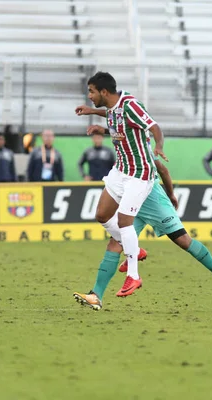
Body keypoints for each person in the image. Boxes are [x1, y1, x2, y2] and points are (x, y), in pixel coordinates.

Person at [73, 158, 212, 310]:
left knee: (184, 241)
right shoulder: (123, 145)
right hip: (134, 202)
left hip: (154, 202)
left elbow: (163, 170)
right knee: (115, 243)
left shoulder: (140, 143)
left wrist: (171, 194)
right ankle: (96, 295)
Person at [75, 71, 167, 297]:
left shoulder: (131, 105)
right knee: (102, 215)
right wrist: (95, 116)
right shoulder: (114, 107)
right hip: (121, 170)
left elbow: (154, 127)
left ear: (104, 92)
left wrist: (159, 146)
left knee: (125, 221)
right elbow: (115, 120)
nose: (89, 96)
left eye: (92, 92)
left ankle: (133, 276)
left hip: (139, 172)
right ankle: (132, 248)